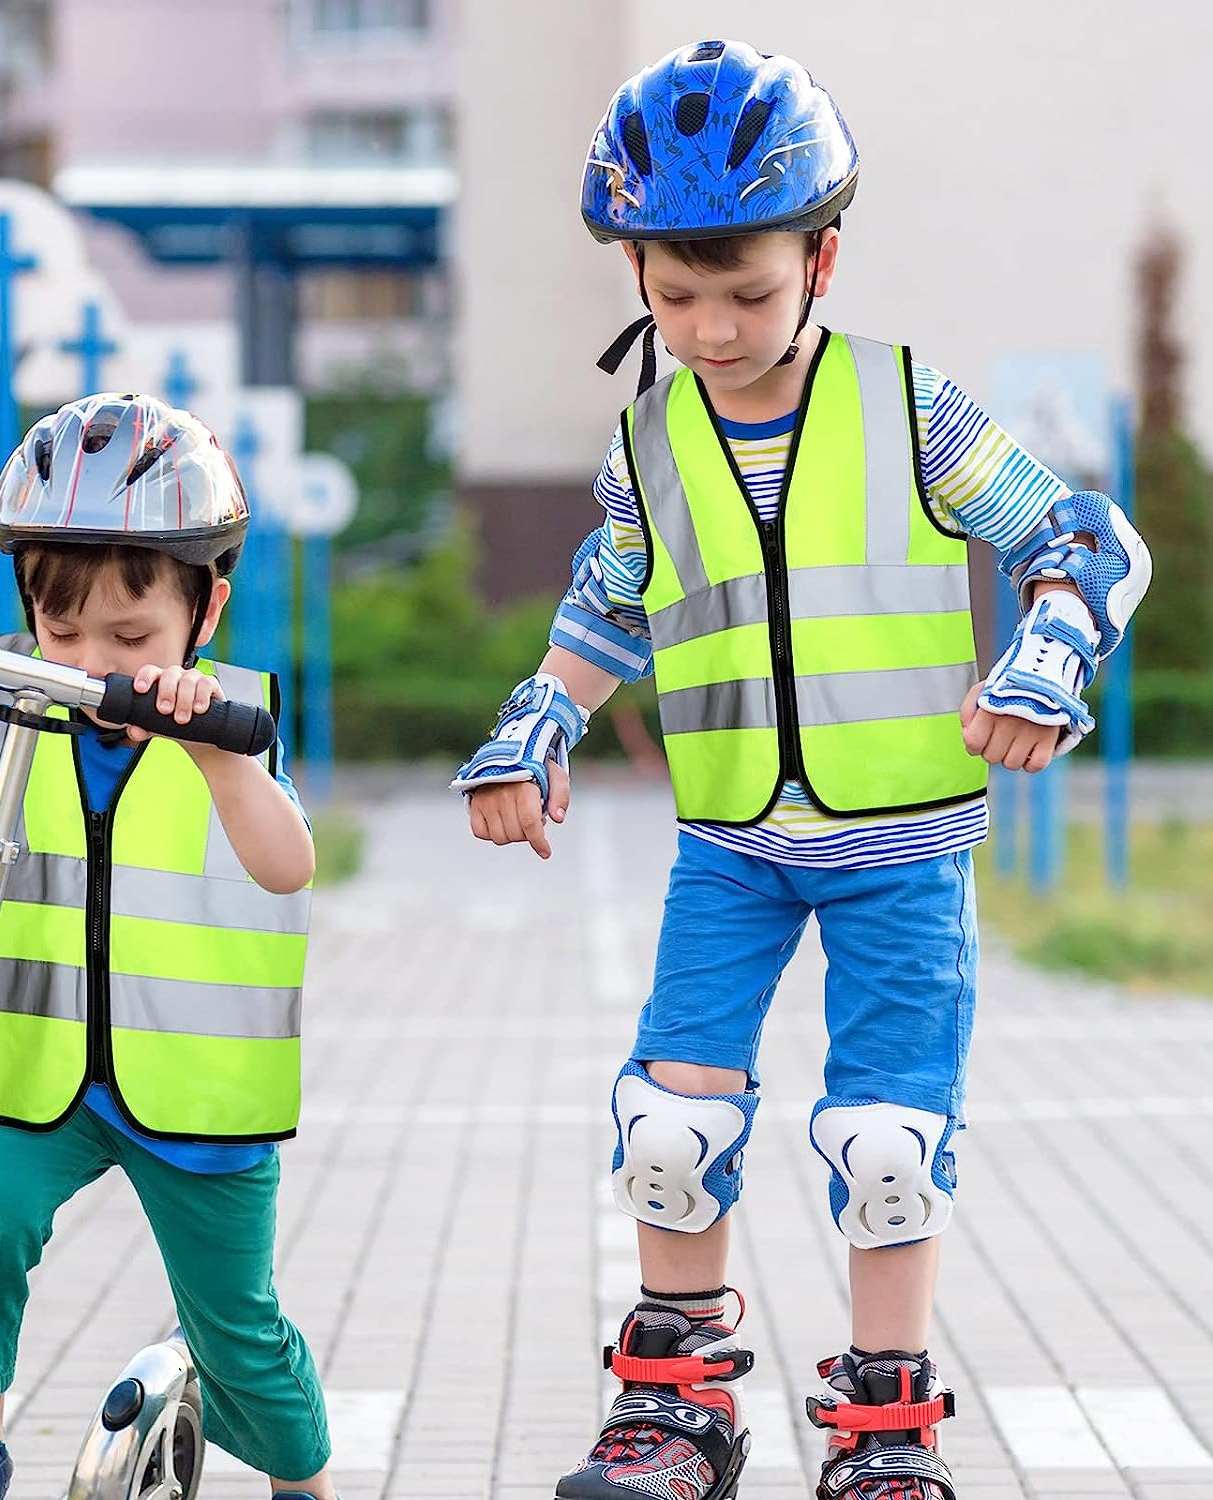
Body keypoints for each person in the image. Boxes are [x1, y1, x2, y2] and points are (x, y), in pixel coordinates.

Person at [453, 40, 1151, 1500]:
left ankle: (886, 1435)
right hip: (732, 850)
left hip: (903, 847)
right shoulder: (646, 447)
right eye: (675, 293)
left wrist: (1047, 655)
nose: (710, 328)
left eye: (747, 291)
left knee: (889, 1141)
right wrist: (540, 716)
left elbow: (1081, 539)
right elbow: (608, 602)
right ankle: (675, 1409)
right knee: (670, 1123)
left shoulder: (911, 407)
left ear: (823, 260)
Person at [0, 394, 338, 1500]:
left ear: (206, 611)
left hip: (199, 1098)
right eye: (64, 633)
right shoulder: (12, 692)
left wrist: (218, 757)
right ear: (29, 619)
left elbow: (287, 864)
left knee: (238, 1330)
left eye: (130, 638)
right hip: (47, 1081)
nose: (92, 663)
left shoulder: (234, 719)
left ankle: (304, 1480)